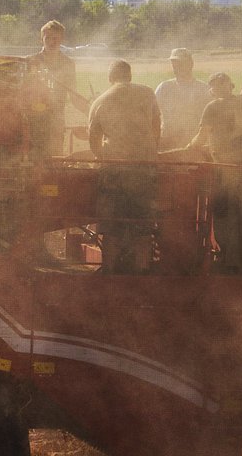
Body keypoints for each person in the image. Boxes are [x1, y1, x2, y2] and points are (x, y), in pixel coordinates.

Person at [187, 72, 242, 272]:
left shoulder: (213, 107)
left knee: (224, 214)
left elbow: (201, 137)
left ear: (214, 89)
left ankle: (229, 261)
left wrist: (190, 147)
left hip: (224, 169)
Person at [87, 59, 162, 274]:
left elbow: (93, 140)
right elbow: (157, 125)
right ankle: (142, 269)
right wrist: (150, 150)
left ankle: (109, 269)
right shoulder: (148, 93)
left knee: (111, 224)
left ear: (110, 78)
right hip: (144, 167)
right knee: (143, 222)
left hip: (115, 170)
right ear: (129, 75)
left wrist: (104, 155)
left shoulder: (101, 100)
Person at [26, 20, 85, 158]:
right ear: (42, 39)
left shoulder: (68, 64)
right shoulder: (31, 62)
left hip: (56, 123)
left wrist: (92, 111)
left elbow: (74, 96)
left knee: (54, 160)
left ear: (61, 40)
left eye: (56, 39)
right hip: (32, 122)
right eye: (48, 38)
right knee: (30, 160)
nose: (52, 42)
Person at [154, 48, 209, 150]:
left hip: (194, 142)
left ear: (191, 64)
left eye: (181, 63)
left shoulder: (203, 89)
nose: (176, 66)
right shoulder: (164, 87)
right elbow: (151, 112)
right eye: (174, 64)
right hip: (168, 140)